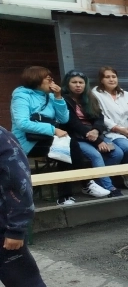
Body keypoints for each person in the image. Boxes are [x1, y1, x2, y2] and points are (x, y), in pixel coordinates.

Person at [1, 124, 61, 287]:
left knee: (19, 277)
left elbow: (19, 183)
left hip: (3, 225)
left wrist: (16, 228)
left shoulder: (1, 139)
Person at [11, 66, 74, 204]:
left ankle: (78, 187)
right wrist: (53, 130)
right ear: (36, 80)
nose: (52, 82)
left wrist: (58, 97)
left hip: (46, 138)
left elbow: (64, 119)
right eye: (48, 79)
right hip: (27, 141)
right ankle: (66, 195)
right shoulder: (21, 96)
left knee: (70, 146)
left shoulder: (50, 96)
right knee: (68, 148)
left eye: (52, 79)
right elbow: (22, 123)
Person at [61, 71, 121, 198]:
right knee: (96, 155)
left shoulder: (90, 97)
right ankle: (109, 187)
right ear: (67, 84)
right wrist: (97, 140)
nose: (78, 85)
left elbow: (99, 117)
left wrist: (96, 131)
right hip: (76, 137)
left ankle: (98, 181)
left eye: (81, 82)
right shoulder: (63, 99)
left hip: (94, 134)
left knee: (117, 153)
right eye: (74, 82)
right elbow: (73, 123)